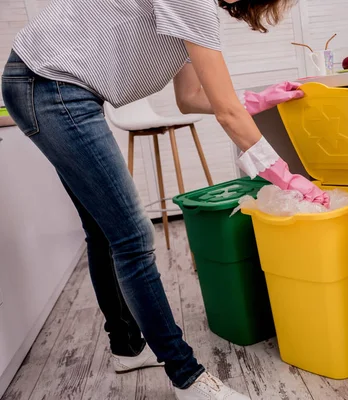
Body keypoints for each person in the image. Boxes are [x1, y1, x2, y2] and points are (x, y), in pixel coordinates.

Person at [2, 0, 330, 398]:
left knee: (105, 231)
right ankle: (187, 377)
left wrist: (258, 100)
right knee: (133, 238)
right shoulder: (193, 2)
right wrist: (286, 176)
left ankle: (127, 347)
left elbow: (190, 96)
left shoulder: (194, 9)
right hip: (49, 85)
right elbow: (226, 112)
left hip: (47, 82)